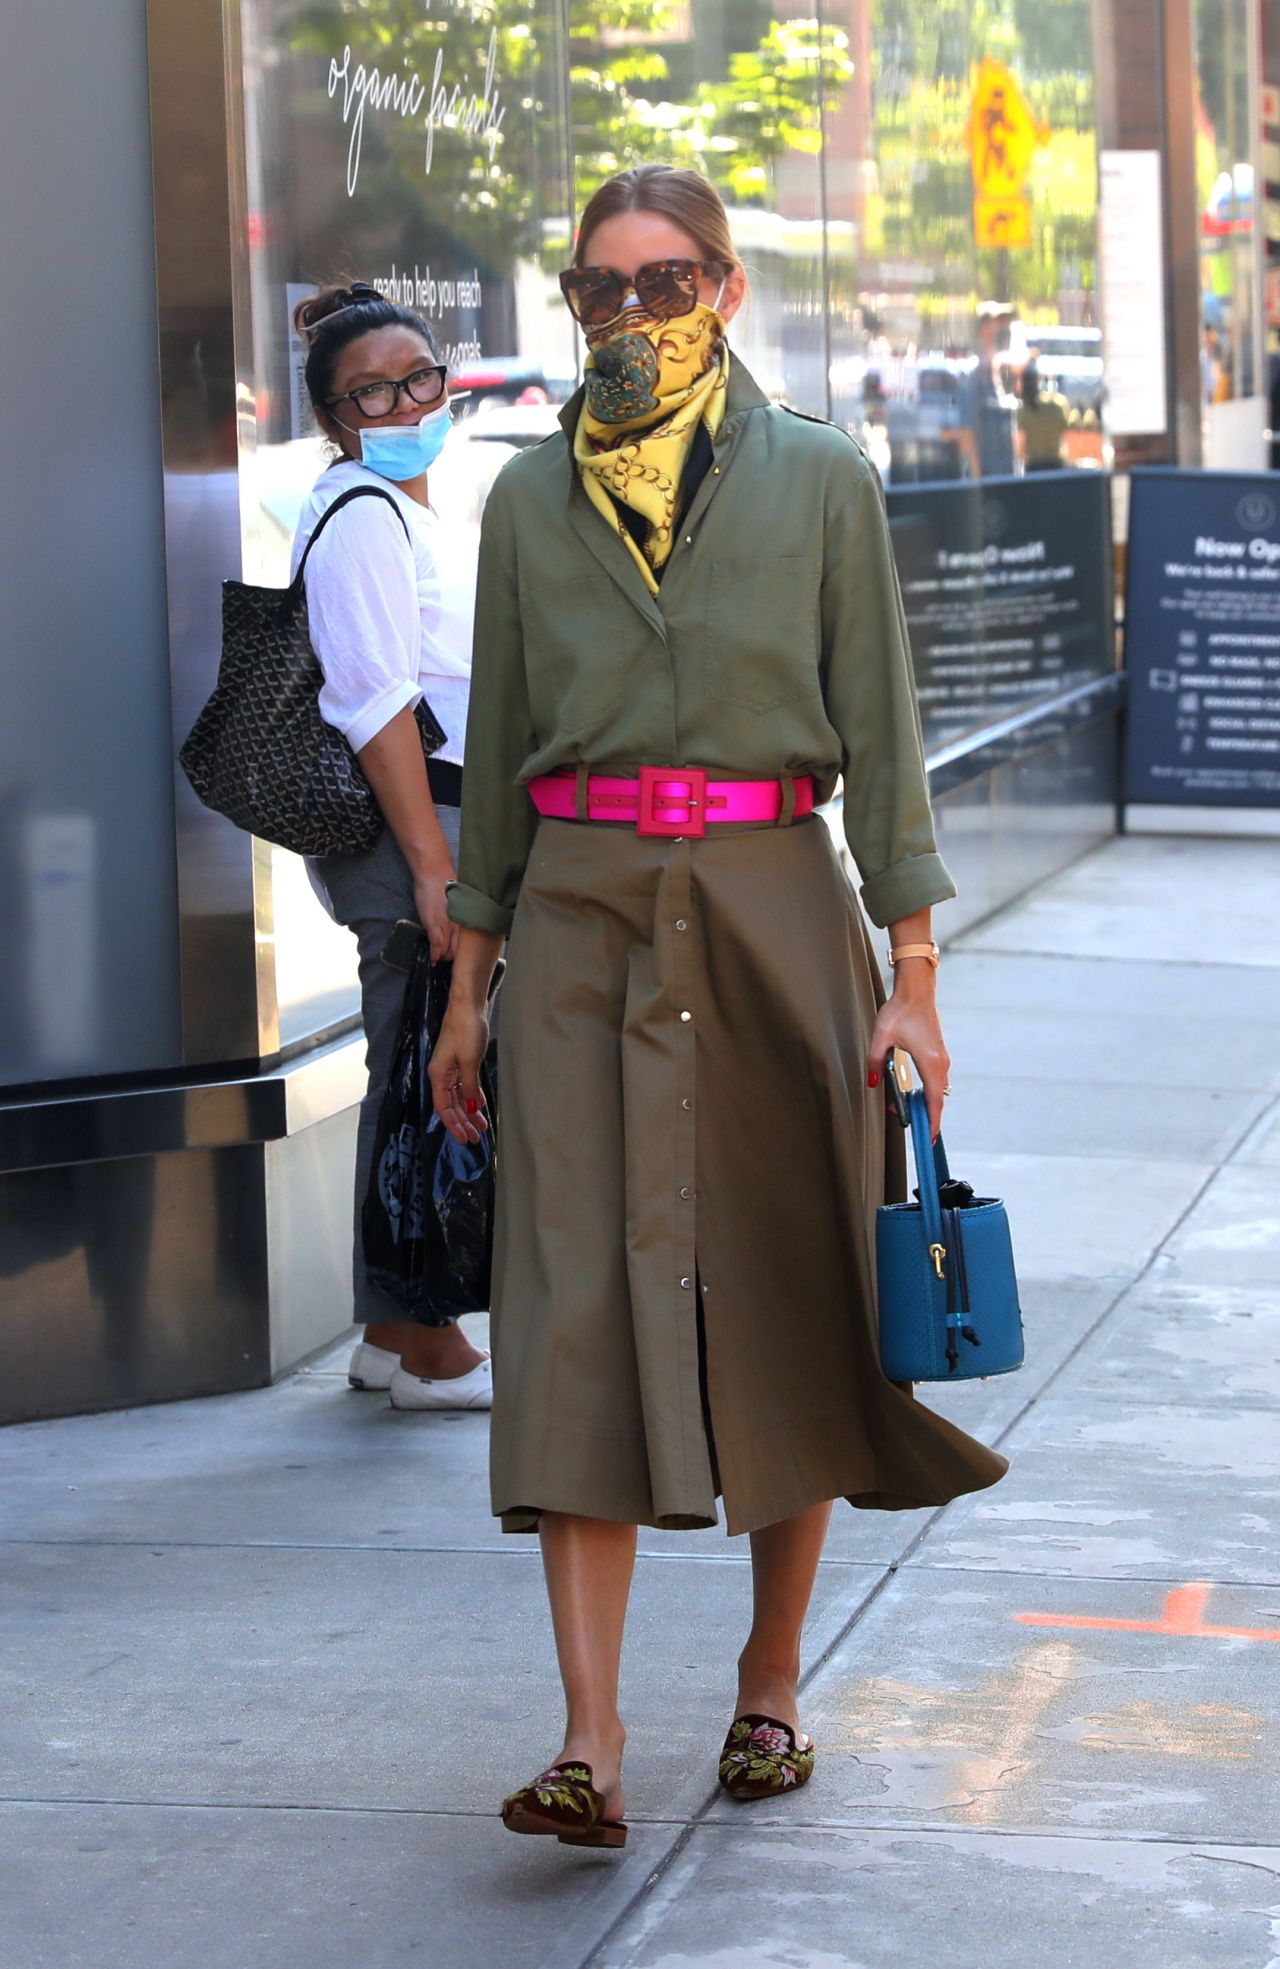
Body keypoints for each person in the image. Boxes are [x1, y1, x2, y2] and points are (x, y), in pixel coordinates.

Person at [428, 165, 1007, 1848]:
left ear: (729, 289)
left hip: (772, 919)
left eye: (666, 281)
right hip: (583, 927)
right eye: (601, 286)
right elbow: (498, 776)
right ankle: (590, 1737)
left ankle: (770, 1686)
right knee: (566, 1307)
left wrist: (914, 981)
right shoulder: (530, 504)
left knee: (785, 1289)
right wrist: (467, 993)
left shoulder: (825, 484)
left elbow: (885, 752)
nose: (634, 315)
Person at [291, 281, 492, 1413]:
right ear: (334, 414)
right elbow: (374, 704)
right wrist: (433, 869)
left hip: (439, 821)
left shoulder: (398, 503)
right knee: (427, 1074)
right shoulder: (363, 513)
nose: (410, 398)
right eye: (375, 389)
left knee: (411, 1062)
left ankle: (382, 1332)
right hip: (418, 826)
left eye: (420, 375)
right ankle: (425, 1341)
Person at [1018, 358, 1072, 471]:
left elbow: (1020, 444)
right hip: (1056, 464)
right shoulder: (1059, 403)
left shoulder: (1024, 408)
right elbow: (1067, 428)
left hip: (1033, 466)